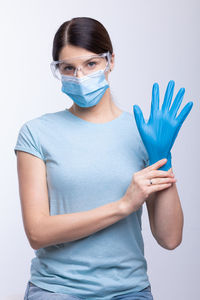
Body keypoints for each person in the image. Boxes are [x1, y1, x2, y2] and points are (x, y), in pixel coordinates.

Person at [14, 16, 191, 300]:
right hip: (57, 289)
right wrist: (123, 205)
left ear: (110, 61)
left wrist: (162, 156)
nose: (80, 77)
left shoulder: (143, 133)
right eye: (68, 68)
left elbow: (170, 238)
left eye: (91, 64)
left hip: (129, 291)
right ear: (58, 70)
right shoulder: (37, 133)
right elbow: (37, 232)